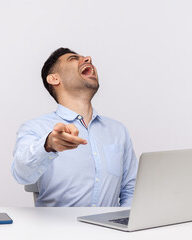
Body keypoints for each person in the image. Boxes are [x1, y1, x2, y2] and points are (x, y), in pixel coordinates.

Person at [11, 47, 138, 207]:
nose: (88, 59)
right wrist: (48, 145)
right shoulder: (35, 128)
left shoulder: (118, 131)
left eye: (86, 57)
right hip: (58, 230)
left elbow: (131, 190)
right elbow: (21, 174)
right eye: (73, 58)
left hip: (109, 230)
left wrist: (126, 224)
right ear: (54, 79)